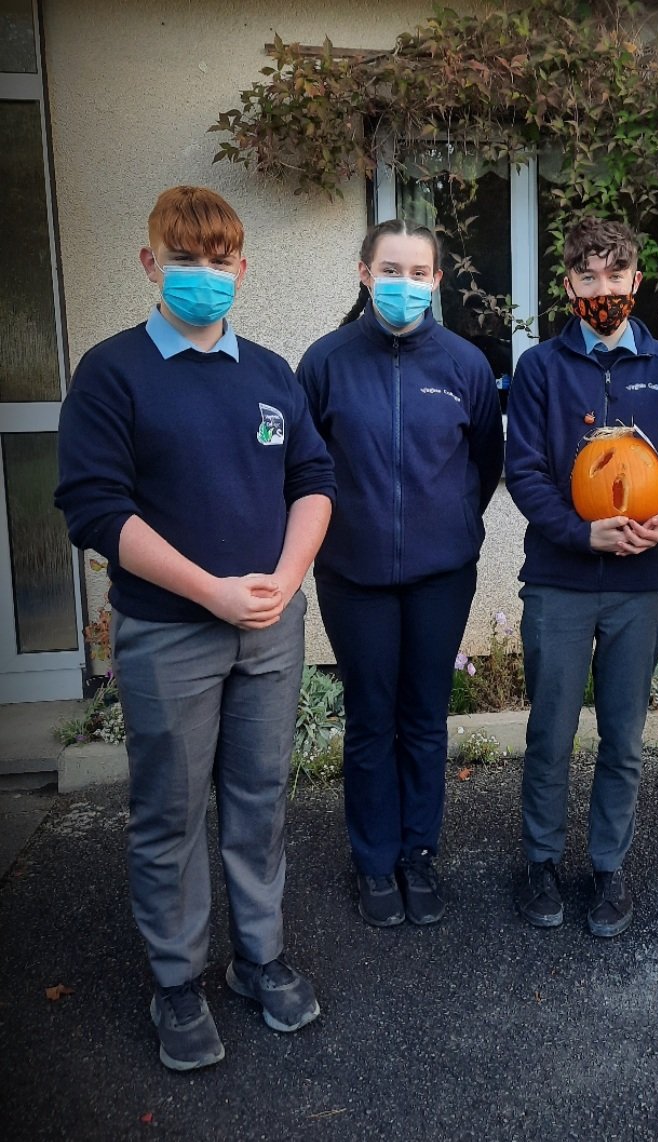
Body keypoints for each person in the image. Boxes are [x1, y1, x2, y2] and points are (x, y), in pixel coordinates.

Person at [54, 186, 335, 1070]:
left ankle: (259, 958)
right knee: (171, 813)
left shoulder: (270, 374)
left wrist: (285, 584)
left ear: (243, 269)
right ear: (150, 264)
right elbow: (95, 507)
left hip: (269, 630)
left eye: (219, 261)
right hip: (170, 631)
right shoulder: (112, 371)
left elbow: (313, 479)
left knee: (258, 801)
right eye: (185, 258)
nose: (204, 275)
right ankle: (177, 981)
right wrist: (210, 591)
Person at [297, 220, 503, 929]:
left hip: (441, 576)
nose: (405, 284)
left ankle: (418, 852)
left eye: (419, 273)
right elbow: (305, 469)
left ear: (438, 281)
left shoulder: (464, 366)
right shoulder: (324, 362)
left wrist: (457, 527)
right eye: (391, 269)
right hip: (352, 575)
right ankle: (374, 860)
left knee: (423, 719)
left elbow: (485, 461)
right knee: (370, 719)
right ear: (362, 272)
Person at [505, 217, 658, 937]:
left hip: (637, 583)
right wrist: (577, 529)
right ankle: (540, 862)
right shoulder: (539, 370)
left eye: (615, 277)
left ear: (635, 282)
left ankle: (610, 869)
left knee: (622, 737)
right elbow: (522, 470)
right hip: (558, 580)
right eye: (587, 277)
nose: (602, 290)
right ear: (568, 285)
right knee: (550, 733)